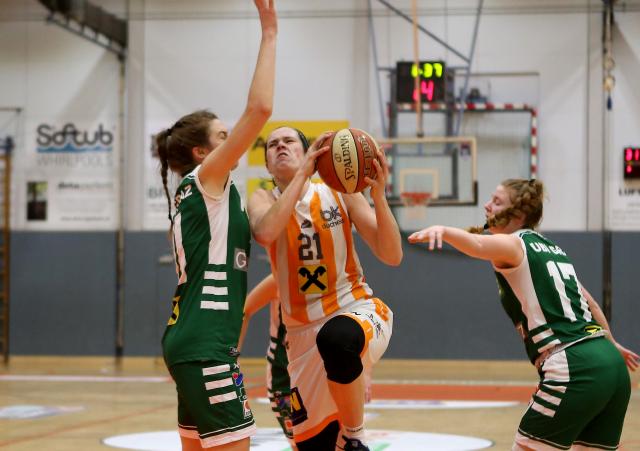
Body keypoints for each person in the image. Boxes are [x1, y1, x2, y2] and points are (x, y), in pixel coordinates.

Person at [408, 178, 639, 451]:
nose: (487, 205)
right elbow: (593, 306)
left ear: (518, 215)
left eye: (496, 201)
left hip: (575, 365)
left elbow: (477, 245)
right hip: (611, 365)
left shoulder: (514, 244)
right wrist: (612, 345)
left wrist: (443, 230)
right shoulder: (554, 249)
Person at [153, 2, 277, 450]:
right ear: (202, 153)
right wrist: (270, 34)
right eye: (223, 136)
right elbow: (260, 108)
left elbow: (266, 233)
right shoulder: (206, 181)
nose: (232, 140)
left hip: (196, 341)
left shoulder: (218, 196)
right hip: (204, 344)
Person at [247, 127, 402, 451]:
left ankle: (354, 435)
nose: (280, 146)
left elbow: (392, 255)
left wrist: (379, 197)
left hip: (354, 308)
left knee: (336, 338)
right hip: (301, 336)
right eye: (272, 145)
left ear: (309, 152)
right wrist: (302, 175)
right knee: (314, 445)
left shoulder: (339, 193)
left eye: (289, 141)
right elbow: (265, 233)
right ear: (268, 165)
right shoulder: (262, 199)